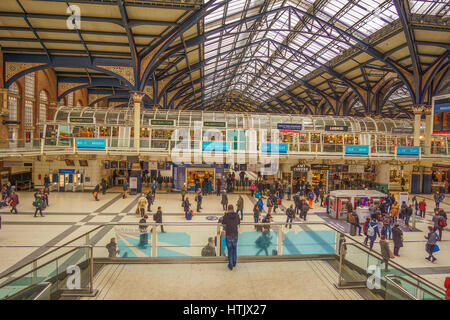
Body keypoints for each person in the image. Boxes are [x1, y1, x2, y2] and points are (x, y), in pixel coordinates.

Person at [221, 204, 240, 270]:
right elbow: (238, 222)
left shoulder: (226, 215)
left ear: (228, 209)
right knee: (234, 249)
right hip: (235, 234)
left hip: (229, 234)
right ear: (233, 208)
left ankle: (231, 265)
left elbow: (223, 222)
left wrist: (225, 215)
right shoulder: (237, 215)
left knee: (229, 250)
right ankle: (234, 263)